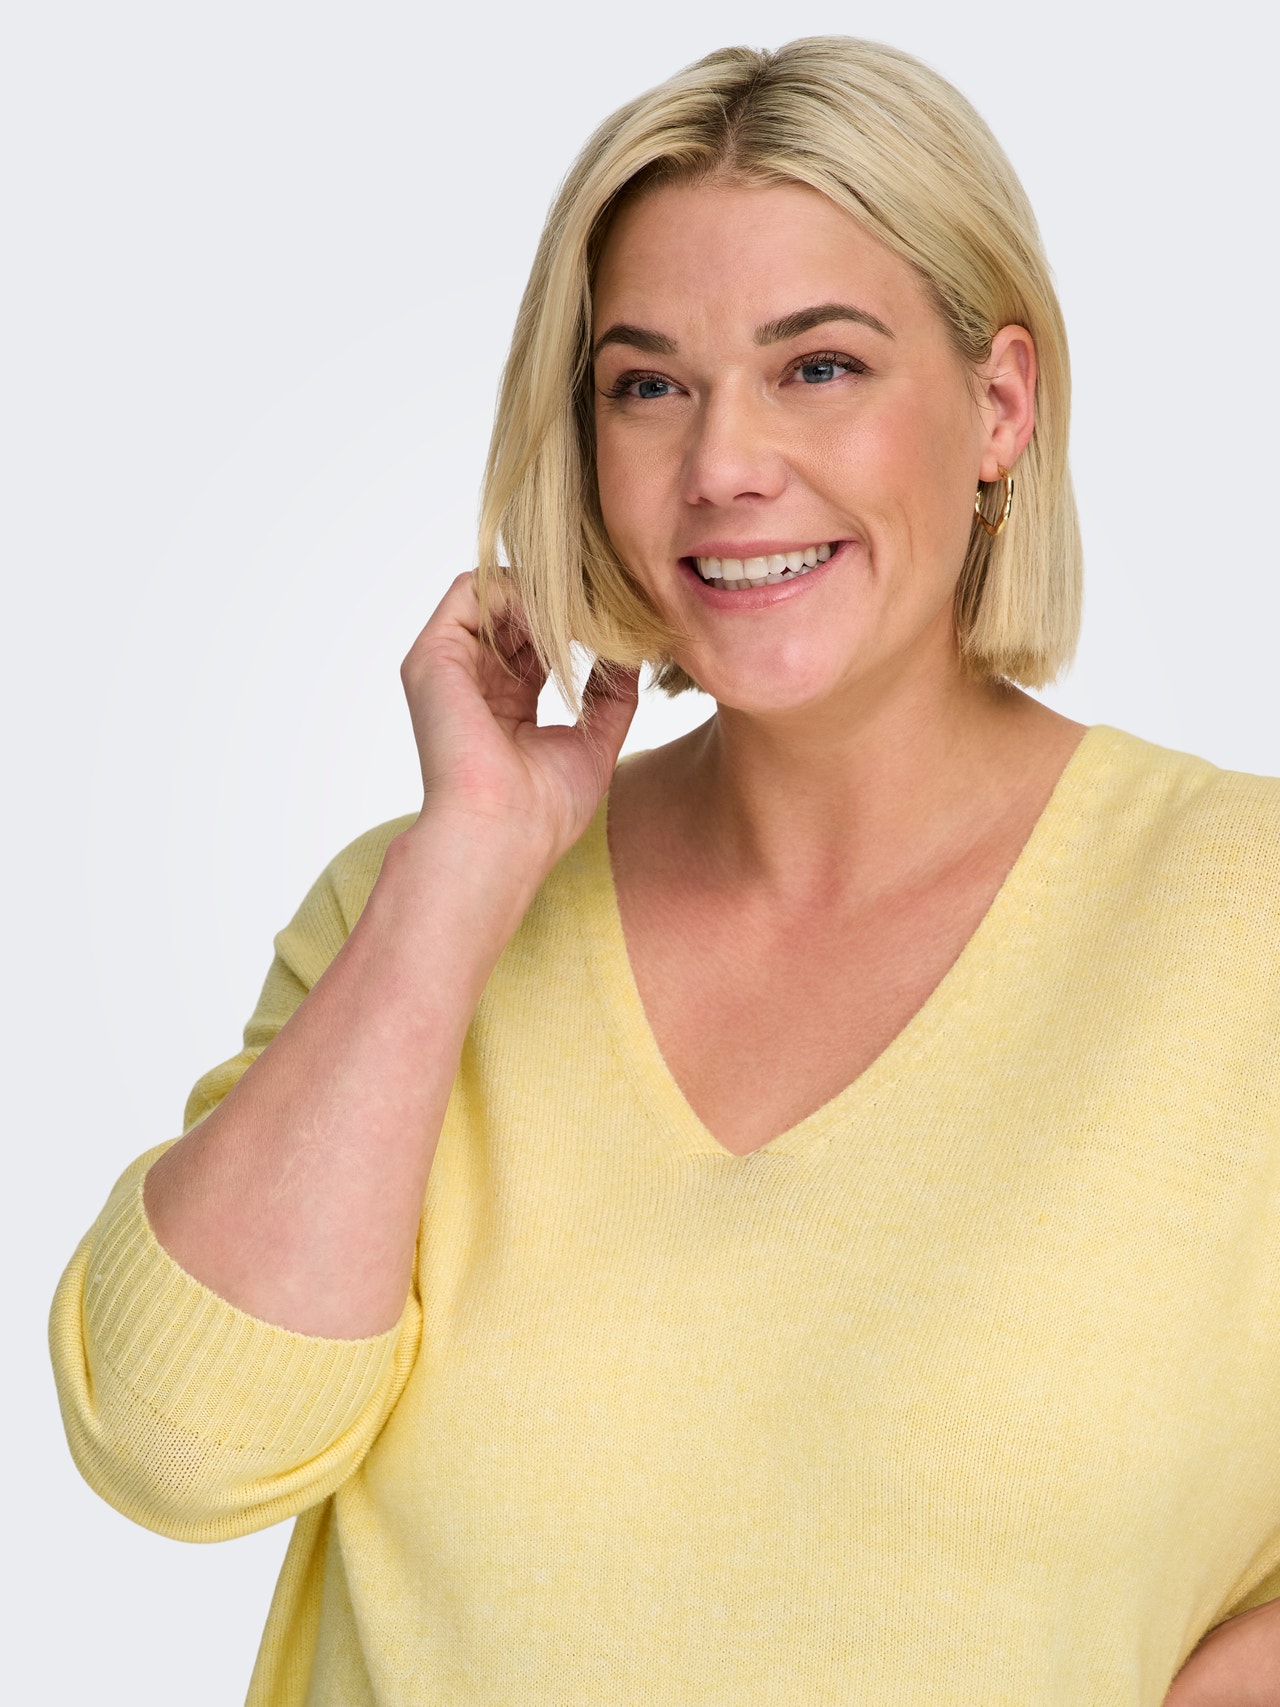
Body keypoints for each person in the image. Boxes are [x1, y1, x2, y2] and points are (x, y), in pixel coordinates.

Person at [49, 36, 1280, 1707]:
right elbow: (176, 1447)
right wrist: (462, 876)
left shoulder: (1244, 920)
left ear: (1000, 405)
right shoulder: (417, 916)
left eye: (819, 367)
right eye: (648, 385)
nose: (723, 465)